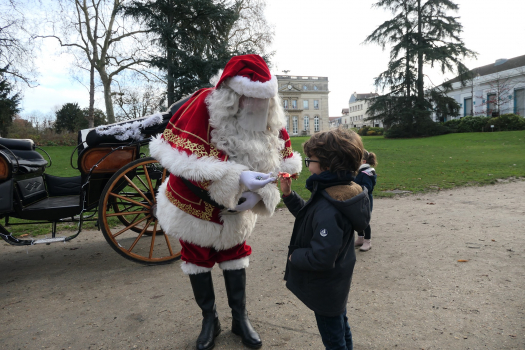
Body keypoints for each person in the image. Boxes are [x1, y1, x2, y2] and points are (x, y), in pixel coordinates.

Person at [149, 54, 302, 350]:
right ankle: (210, 319)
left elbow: (284, 163)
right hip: (193, 204)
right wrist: (237, 179)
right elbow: (187, 164)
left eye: (263, 101)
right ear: (233, 95)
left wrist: (262, 190)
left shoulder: (272, 117)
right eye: (250, 100)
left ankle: (239, 318)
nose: (258, 108)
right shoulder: (205, 106)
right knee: (197, 258)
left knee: (235, 255)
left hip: (237, 212)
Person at [279, 128, 371, 350]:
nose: (308, 163)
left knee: (333, 337)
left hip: (326, 286)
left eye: (310, 159)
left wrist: (295, 256)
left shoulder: (330, 206)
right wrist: (289, 196)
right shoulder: (337, 191)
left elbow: (321, 257)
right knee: (340, 324)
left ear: (328, 165)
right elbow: (311, 216)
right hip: (337, 281)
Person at [354, 150, 378, 252]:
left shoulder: (366, 173)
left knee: (364, 220)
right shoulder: (359, 172)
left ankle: (367, 241)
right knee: (357, 219)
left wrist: (356, 188)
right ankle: (360, 238)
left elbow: (367, 187)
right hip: (357, 198)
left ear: (363, 161)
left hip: (365, 199)